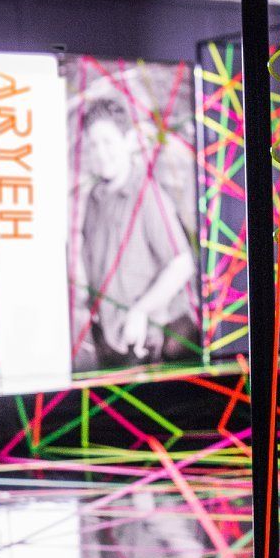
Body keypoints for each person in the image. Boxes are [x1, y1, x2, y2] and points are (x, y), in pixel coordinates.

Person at [74, 94, 198, 368]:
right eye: (93, 144)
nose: (100, 152)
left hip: (155, 346)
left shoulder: (148, 194)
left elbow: (182, 264)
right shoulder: (94, 197)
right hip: (110, 341)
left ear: (129, 141)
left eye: (107, 141)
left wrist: (141, 311)